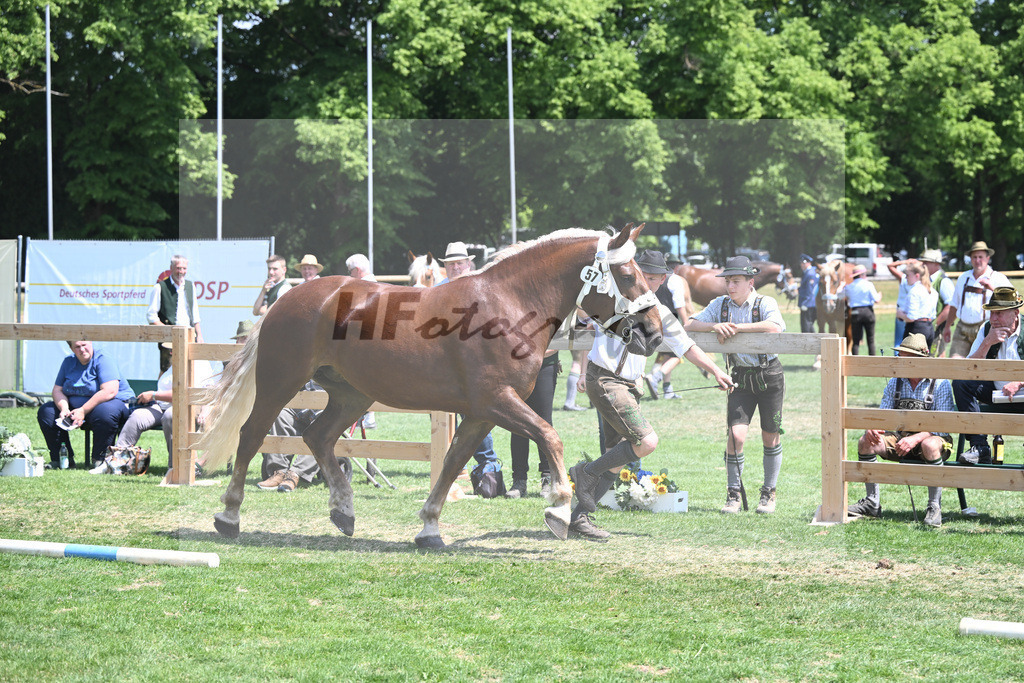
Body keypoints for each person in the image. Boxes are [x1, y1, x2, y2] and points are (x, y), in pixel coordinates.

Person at [570, 250, 733, 539]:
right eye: (643, 276)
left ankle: (578, 517)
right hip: (606, 379)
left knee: (616, 457)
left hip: (628, 385)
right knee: (647, 441)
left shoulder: (659, 313)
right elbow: (582, 310)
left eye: (653, 278)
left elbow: (685, 346)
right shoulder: (614, 300)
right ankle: (586, 472)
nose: (647, 283)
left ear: (663, 279)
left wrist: (716, 370)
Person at [685, 255, 787, 514]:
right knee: (736, 436)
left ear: (750, 282)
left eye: (736, 281)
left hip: (769, 375)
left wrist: (738, 328)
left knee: (770, 436)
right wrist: (715, 325)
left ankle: (768, 493)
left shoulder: (766, 302)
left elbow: (775, 327)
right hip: (739, 377)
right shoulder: (719, 305)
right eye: (728, 281)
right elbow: (689, 324)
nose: (730, 286)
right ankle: (733, 494)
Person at [848, 334, 954, 527]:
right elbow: (883, 416)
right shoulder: (894, 382)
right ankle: (872, 502)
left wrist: (915, 439)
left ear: (919, 359)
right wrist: (873, 428)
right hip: (900, 438)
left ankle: (934, 506)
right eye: (900, 356)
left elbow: (943, 425)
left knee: (929, 444)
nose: (899, 361)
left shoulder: (940, 383)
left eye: (904, 357)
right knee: (866, 442)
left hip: (935, 438)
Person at [97, 343, 216, 474]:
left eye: (173, 348)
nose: (170, 352)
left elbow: (184, 394)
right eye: (170, 349)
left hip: (187, 408)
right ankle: (114, 461)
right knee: (138, 416)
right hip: (161, 405)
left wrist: (153, 395)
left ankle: (176, 468)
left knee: (171, 415)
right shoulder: (172, 364)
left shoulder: (199, 363)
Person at [952, 286, 1024, 464]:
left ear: (1015, 313)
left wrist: (1019, 382)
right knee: (961, 383)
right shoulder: (987, 330)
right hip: (996, 394)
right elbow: (969, 368)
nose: (993, 319)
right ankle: (980, 447)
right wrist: (987, 342)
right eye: (991, 313)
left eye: (999, 313)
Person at [36, 341, 134, 468]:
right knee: (46, 411)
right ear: (71, 348)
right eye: (77, 346)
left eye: (84, 345)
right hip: (78, 409)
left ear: (91, 343)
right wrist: (64, 408)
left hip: (113, 405)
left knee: (105, 412)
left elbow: (110, 391)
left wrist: (82, 410)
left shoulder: (103, 359)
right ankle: (62, 460)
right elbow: (57, 390)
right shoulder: (68, 362)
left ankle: (101, 460)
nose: (82, 349)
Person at [945, 241, 1011, 358]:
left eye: (980, 257)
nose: (977, 260)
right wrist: (947, 327)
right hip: (962, 330)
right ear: (970, 259)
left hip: (985, 329)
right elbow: (954, 304)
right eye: (974, 257)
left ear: (988, 258)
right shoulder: (963, 277)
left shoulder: (998, 278)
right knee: (956, 365)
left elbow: (1011, 300)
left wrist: (991, 287)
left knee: (980, 367)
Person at [256, 381, 324, 492]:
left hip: (326, 410)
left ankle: (295, 473)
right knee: (281, 415)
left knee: (323, 426)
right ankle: (279, 471)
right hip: (301, 407)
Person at [506, 349, 557, 498]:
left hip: (545, 364)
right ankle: (519, 481)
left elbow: (558, 339)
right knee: (517, 423)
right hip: (517, 366)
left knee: (544, 423)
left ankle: (547, 478)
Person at [648, 252, 695, 399]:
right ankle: (656, 377)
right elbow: (679, 304)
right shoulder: (675, 280)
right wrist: (685, 322)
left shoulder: (652, 279)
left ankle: (667, 391)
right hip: (670, 322)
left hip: (652, 321)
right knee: (679, 352)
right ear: (676, 266)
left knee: (668, 355)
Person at [147, 255, 203, 373]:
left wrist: (199, 335)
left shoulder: (190, 286)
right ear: (171, 268)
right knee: (166, 369)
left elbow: (195, 314)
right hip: (169, 336)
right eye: (178, 268)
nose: (181, 272)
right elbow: (151, 316)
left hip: (189, 334)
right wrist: (167, 330)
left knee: (189, 370)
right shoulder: (160, 287)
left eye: (184, 268)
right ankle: (159, 392)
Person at [918, 249, 955, 357]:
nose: (922, 265)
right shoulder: (926, 279)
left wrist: (935, 324)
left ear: (936, 264)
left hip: (937, 329)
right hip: (927, 327)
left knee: (936, 358)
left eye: (926, 262)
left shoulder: (943, 281)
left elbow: (950, 307)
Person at [898, 262, 937, 349]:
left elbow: (911, 317)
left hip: (916, 328)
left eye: (908, 275)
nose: (906, 277)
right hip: (929, 327)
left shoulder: (914, 291)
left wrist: (900, 314)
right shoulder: (931, 290)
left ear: (917, 276)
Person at [845, 264, 882, 355]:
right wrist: (880, 295)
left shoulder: (849, 287)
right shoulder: (868, 284)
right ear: (862, 275)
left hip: (855, 312)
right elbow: (876, 299)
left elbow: (840, 295)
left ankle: (855, 362)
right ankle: (872, 361)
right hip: (867, 311)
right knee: (871, 339)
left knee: (856, 340)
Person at [887, 256, 915, 350]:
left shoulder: (903, 278)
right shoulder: (919, 281)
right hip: (913, 312)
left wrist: (904, 262)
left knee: (899, 342)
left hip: (901, 311)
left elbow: (890, 266)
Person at [797, 254, 818, 334]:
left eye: (803, 263)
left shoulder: (810, 274)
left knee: (806, 326)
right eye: (801, 263)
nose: (801, 265)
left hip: (808, 304)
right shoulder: (810, 272)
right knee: (809, 325)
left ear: (808, 263)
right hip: (810, 303)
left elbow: (810, 291)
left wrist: (805, 303)